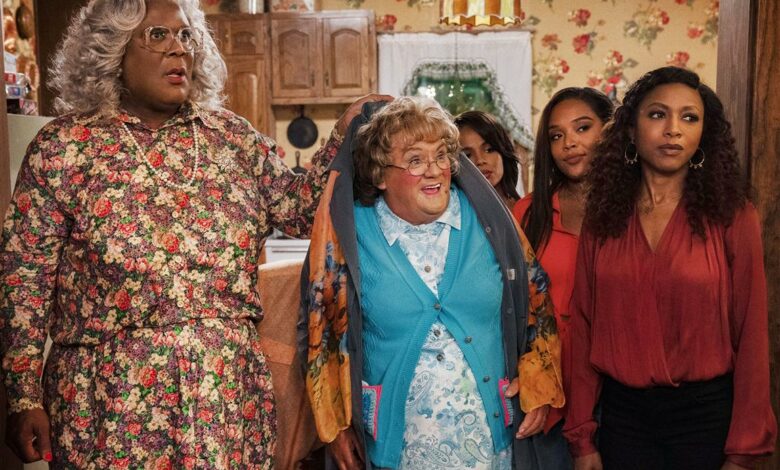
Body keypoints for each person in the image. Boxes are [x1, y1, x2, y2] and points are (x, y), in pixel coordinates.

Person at [0, 0, 389, 467]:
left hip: (226, 399)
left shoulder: (231, 138)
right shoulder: (63, 148)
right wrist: (23, 395)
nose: (178, 49)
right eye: (157, 35)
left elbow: (301, 210)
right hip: (109, 404)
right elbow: (24, 278)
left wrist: (344, 133)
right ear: (112, 50)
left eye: (186, 36)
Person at [298, 97, 566, 470]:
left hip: (489, 444)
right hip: (399, 449)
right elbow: (322, 328)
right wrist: (336, 426)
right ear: (380, 175)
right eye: (415, 160)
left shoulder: (487, 221)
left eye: (441, 156)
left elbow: (536, 296)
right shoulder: (351, 234)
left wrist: (539, 376)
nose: (434, 171)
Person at [563, 67, 777, 470]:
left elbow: (751, 332)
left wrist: (743, 450)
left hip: (706, 421)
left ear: (703, 135)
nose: (673, 129)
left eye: (689, 117)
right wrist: (582, 437)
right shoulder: (604, 217)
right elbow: (584, 325)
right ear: (630, 130)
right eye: (658, 114)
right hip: (623, 420)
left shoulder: (732, 215)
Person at [513, 88, 613, 438]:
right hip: (546, 388)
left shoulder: (636, 210)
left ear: (610, 131)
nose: (569, 143)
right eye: (557, 136)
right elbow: (512, 304)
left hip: (617, 387)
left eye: (582, 128)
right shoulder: (528, 212)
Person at [454, 110, 523, 208]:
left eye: (489, 150)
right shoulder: (458, 213)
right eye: (467, 155)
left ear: (503, 151)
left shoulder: (531, 209)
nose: (480, 160)